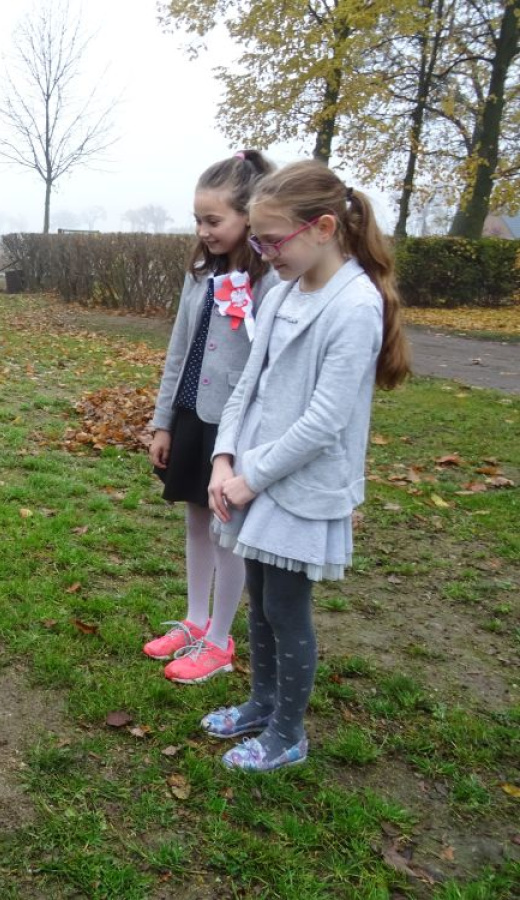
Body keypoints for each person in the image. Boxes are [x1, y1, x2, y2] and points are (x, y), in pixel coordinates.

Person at [202, 160, 410, 771]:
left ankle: (288, 734)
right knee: (261, 601)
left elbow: (325, 422)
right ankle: (262, 703)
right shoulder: (284, 292)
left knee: (287, 611)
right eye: (258, 242)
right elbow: (247, 383)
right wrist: (222, 458)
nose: (264, 255)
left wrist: (250, 478)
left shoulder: (355, 306)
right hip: (253, 478)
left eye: (272, 241)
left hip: (298, 487)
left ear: (322, 228)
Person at [145, 151, 278, 684]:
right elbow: (179, 348)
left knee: (227, 530)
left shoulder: (270, 280)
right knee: (196, 521)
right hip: (191, 414)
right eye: (198, 219)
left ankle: (219, 641)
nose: (203, 231)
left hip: (233, 425)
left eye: (214, 220)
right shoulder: (200, 272)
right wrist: (163, 422)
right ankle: (195, 620)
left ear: (249, 216)